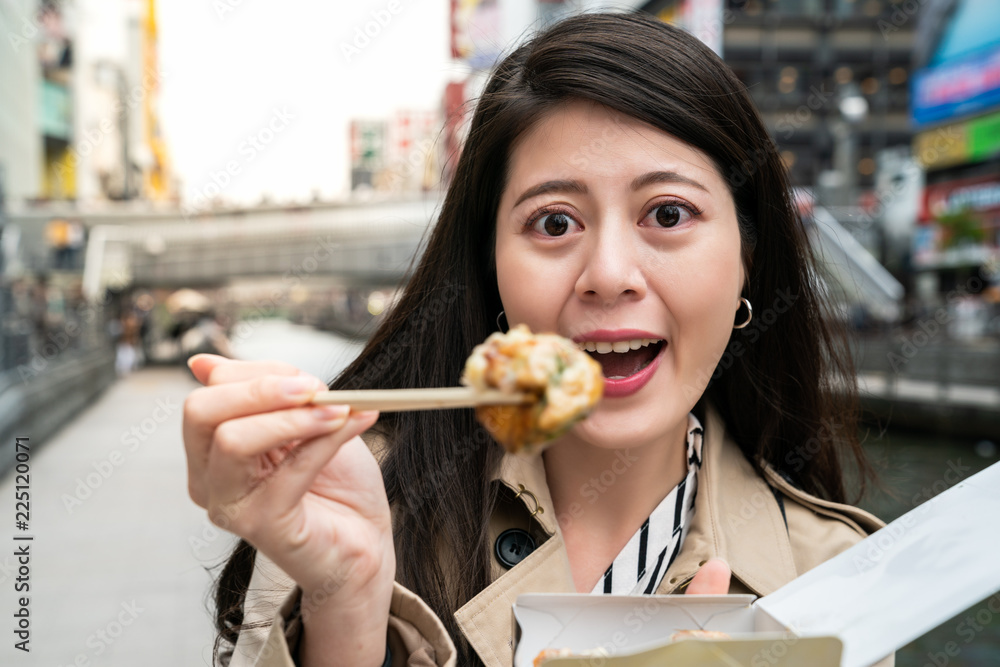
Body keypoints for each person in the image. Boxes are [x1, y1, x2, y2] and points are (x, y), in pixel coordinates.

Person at [182, 12, 891, 667]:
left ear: (747, 259)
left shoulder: (838, 577)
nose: (609, 275)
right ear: (492, 270)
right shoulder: (347, 506)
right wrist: (345, 601)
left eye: (668, 213)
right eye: (554, 223)